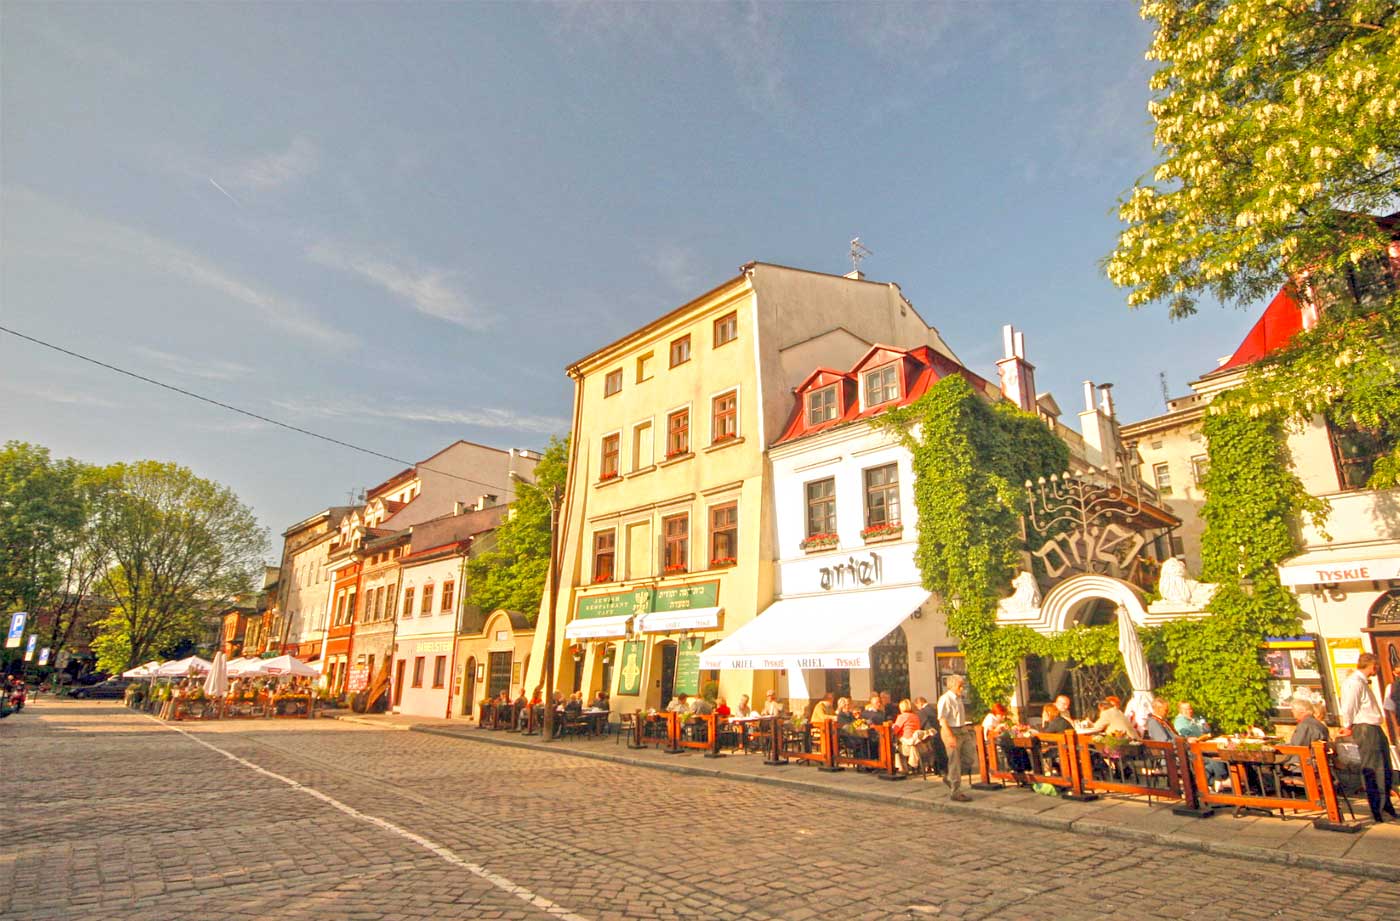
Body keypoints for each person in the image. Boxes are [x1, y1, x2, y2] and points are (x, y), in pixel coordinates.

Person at [1339, 653, 1397, 823]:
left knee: (1385, 766)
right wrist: (1347, 725)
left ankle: (1386, 805)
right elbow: (1349, 706)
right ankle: (1378, 808)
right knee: (1374, 767)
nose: (1376, 671)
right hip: (1365, 728)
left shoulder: (1361, 682)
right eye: (1376, 667)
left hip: (1373, 727)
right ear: (1372, 666)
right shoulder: (1354, 683)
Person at [938, 675, 976, 801]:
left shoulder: (959, 698)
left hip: (962, 729)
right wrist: (950, 736)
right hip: (951, 730)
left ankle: (949, 777)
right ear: (952, 685)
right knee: (954, 760)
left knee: (969, 757)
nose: (962, 688)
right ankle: (955, 791)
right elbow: (942, 720)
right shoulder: (945, 699)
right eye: (960, 685)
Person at [892, 699, 922, 773]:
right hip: (917, 744)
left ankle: (901, 767)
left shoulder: (902, 717)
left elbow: (895, 730)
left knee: (893, 746)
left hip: (906, 744)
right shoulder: (916, 716)